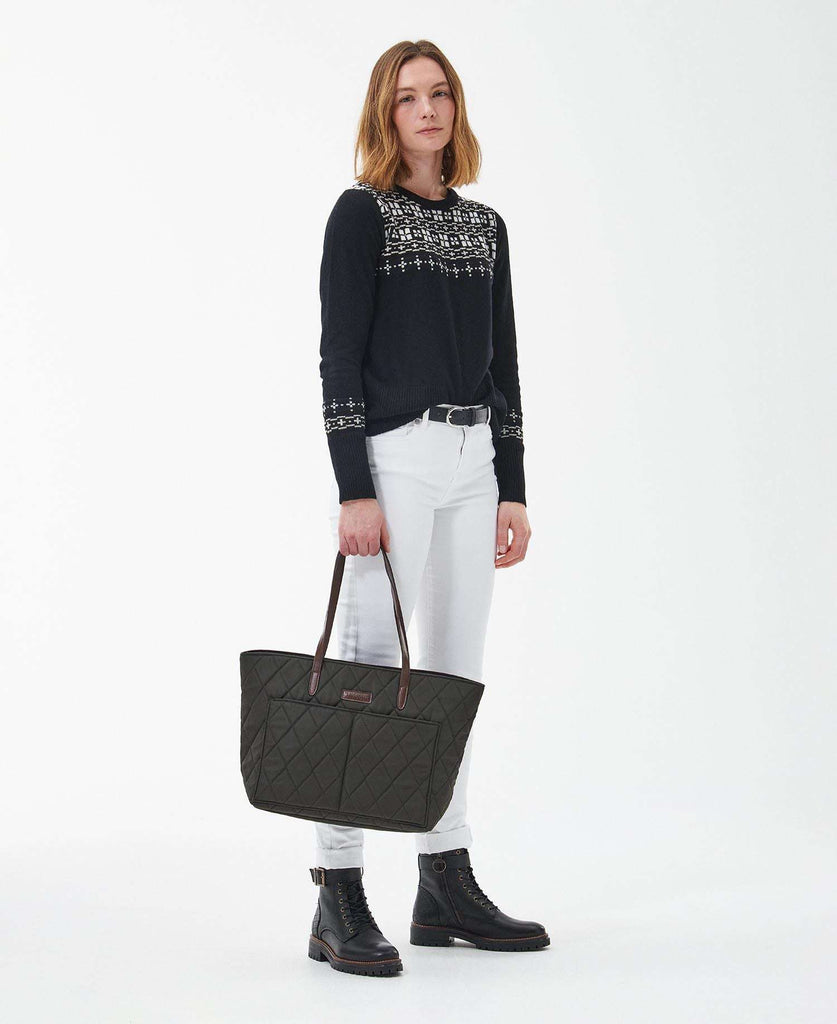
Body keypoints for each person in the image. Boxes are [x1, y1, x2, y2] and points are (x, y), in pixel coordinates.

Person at [308, 39, 549, 977]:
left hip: (471, 461)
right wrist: (353, 487)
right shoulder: (360, 214)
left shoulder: (485, 227)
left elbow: (504, 364)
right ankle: (336, 889)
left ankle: (443, 877)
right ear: (386, 112)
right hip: (396, 459)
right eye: (408, 96)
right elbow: (338, 355)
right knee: (368, 672)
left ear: (456, 107)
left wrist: (512, 483)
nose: (427, 109)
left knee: (452, 675)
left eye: (439, 92)